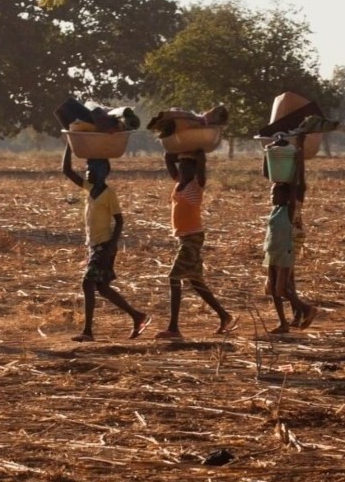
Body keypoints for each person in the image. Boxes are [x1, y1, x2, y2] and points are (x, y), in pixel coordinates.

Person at [62, 144, 150, 342]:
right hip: (94, 245)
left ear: (103, 172)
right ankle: (137, 316)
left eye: (92, 170)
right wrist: (69, 144)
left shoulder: (109, 194)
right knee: (101, 288)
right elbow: (67, 170)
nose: (88, 173)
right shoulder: (89, 188)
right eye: (87, 170)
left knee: (87, 283)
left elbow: (120, 220)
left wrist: (112, 244)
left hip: (104, 245)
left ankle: (88, 331)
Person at [155, 150, 237, 339]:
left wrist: (195, 156)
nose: (183, 170)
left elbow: (201, 159)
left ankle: (174, 327)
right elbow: (168, 157)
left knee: (174, 278)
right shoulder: (179, 183)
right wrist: (181, 152)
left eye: (188, 167)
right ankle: (224, 315)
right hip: (184, 238)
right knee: (196, 281)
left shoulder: (196, 185)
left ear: (194, 170)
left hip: (192, 237)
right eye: (182, 167)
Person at [263, 182, 317, 334]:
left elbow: (296, 188)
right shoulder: (275, 210)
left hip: (285, 252)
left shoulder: (290, 210)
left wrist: (296, 166)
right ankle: (283, 323)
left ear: (286, 196)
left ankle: (307, 309)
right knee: (272, 289)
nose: (272, 197)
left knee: (281, 288)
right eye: (271, 194)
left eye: (275, 194)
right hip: (272, 252)